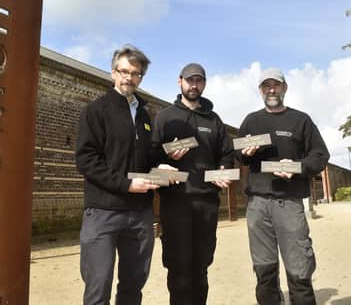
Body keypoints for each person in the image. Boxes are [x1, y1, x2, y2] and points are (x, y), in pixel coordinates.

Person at [75, 44, 159, 305]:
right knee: (98, 289)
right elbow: (86, 160)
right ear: (112, 73)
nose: (128, 78)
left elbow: (148, 158)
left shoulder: (146, 116)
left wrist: (161, 168)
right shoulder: (96, 111)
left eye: (135, 73)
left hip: (140, 214)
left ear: (141, 77)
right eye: (123, 71)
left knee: (133, 288)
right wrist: (126, 185)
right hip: (103, 211)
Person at [237, 68, 329, 305]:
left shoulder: (301, 120)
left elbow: (320, 155)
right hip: (257, 205)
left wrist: (297, 166)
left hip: (289, 203)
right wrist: (244, 153)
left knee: (299, 269)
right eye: (266, 86)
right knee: (264, 270)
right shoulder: (251, 120)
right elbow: (239, 154)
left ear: (284, 87)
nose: (271, 90)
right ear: (260, 90)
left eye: (276, 85)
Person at [151, 63, 234, 305]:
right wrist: (167, 157)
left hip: (207, 202)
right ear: (180, 82)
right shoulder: (165, 117)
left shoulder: (214, 120)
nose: (194, 85)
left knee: (201, 265)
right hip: (175, 203)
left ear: (204, 84)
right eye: (189, 80)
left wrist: (222, 170)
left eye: (199, 80)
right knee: (178, 268)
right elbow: (152, 155)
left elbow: (226, 153)